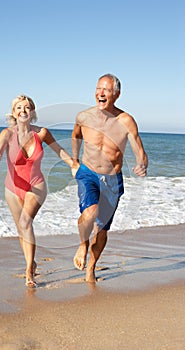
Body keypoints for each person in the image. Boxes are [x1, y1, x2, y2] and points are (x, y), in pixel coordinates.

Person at [0, 94, 73, 287]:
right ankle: (31, 262)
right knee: (21, 229)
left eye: (26, 107)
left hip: (36, 186)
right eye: (19, 107)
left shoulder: (41, 133)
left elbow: (58, 150)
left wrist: (73, 164)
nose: (23, 111)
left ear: (32, 112)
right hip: (12, 188)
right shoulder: (7, 134)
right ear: (13, 113)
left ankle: (28, 273)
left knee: (26, 222)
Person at [71, 74, 148, 283]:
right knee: (90, 212)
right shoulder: (84, 117)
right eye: (98, 89)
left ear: (116, 94)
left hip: (112, 178)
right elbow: (76, 135)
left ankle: (91, 269)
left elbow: (139, 149)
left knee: (102, 230)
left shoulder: (126, 121)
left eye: (106, 90)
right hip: (88, 172)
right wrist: (75, 161)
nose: (100, 93)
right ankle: (82, 244)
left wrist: (142, 164)